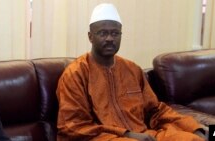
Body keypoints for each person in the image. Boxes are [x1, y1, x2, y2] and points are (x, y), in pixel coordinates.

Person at [56, 3, 207, 141]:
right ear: (90, 37)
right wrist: (127, 135)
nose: (109, 38)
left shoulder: (132, 69)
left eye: (115, 33)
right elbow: (73, 127)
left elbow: (155, 110)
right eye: (102, 33)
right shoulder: (75, 74)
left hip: (146, 135)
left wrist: (194, 127)